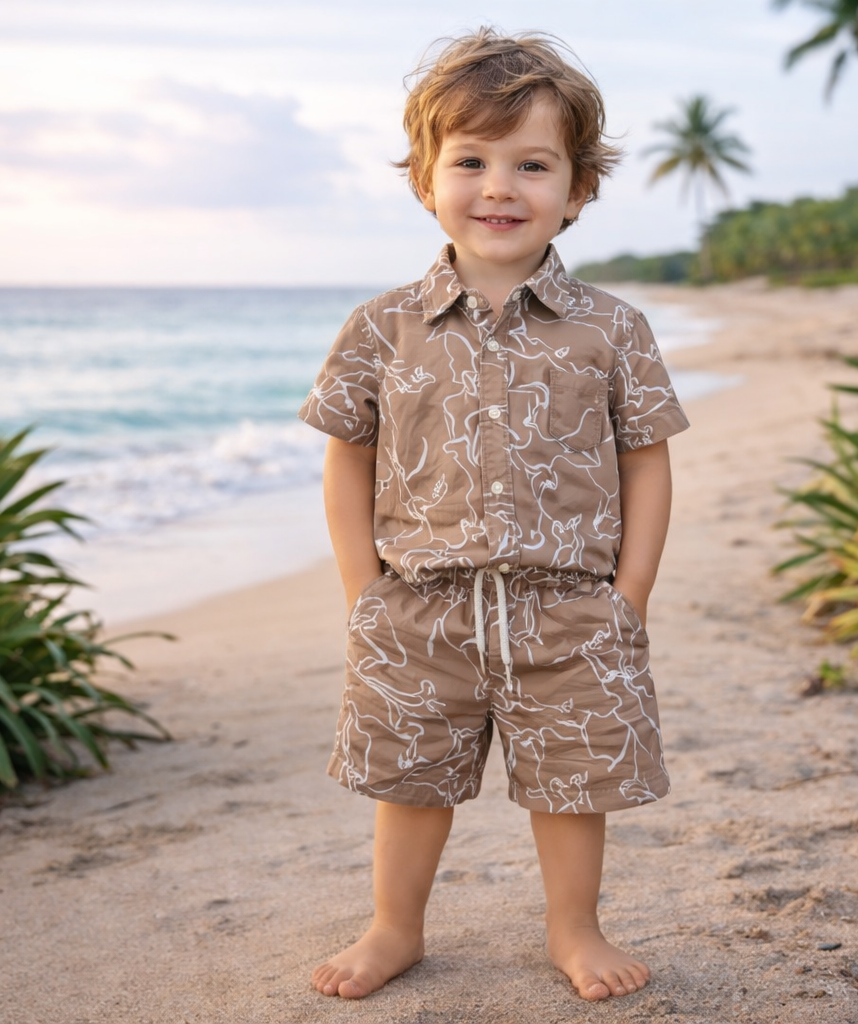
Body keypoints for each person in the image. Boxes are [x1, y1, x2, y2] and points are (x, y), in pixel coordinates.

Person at [298, 27, 689, 1003]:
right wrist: (362, 589)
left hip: (569, 608)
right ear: (424, 179)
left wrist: (630, 595)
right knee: (410, 779)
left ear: (579, 187)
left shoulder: (611, 328)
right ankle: (394, 927)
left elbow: (646, 459)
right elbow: (349, 455)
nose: (498, 187)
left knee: (575, 780)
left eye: (532, 164)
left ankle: (574, 927)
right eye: (469, 161)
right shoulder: (382, 326)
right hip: (418, 607)